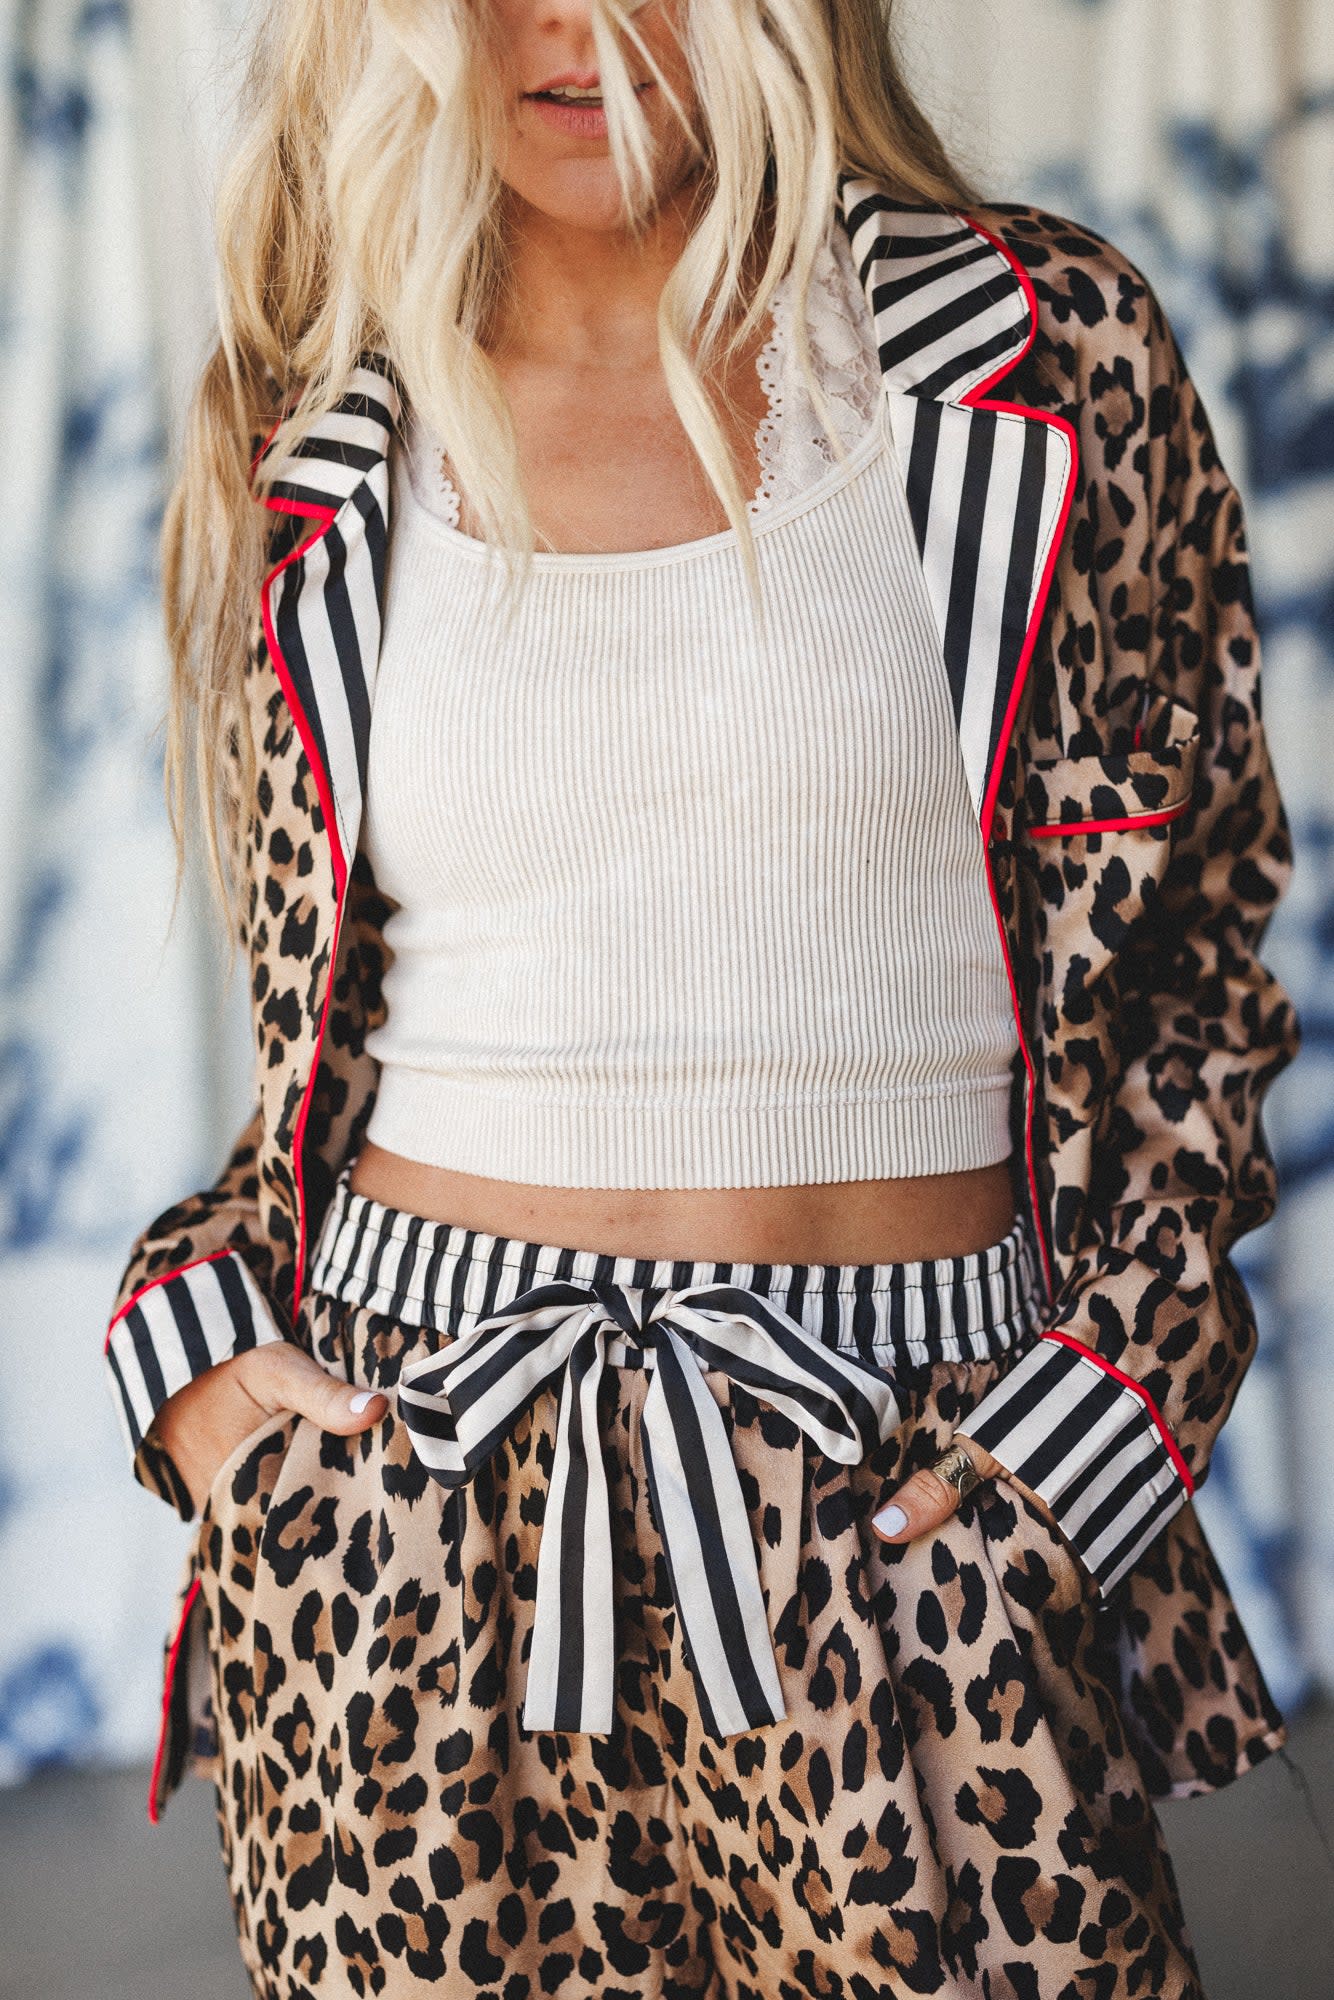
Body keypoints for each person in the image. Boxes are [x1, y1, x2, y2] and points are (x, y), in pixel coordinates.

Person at [103, 1, 1300, 1994]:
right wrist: (209, 1376)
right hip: (415, 1512)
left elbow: (1198, 954)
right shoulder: (316, 420)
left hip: (914, 1492)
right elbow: (316, 1043)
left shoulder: (1041, 355)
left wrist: (1085, 1434)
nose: (576, 27)